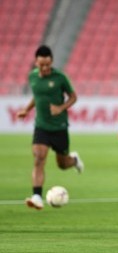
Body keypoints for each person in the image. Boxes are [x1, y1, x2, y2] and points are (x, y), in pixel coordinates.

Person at [17, 45, 84, 210]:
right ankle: (37, 196)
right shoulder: (32, 77)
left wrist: (60, 108)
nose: (45, 68)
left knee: (62, 164)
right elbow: (37, 96)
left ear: (51, 62)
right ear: (36, 63)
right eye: (42, 65)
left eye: (48, 64)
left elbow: (73, 97)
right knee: (39, 158)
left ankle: (74, 160)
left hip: (59, 127)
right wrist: (26, 109)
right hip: (41, 126)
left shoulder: (60, 77)